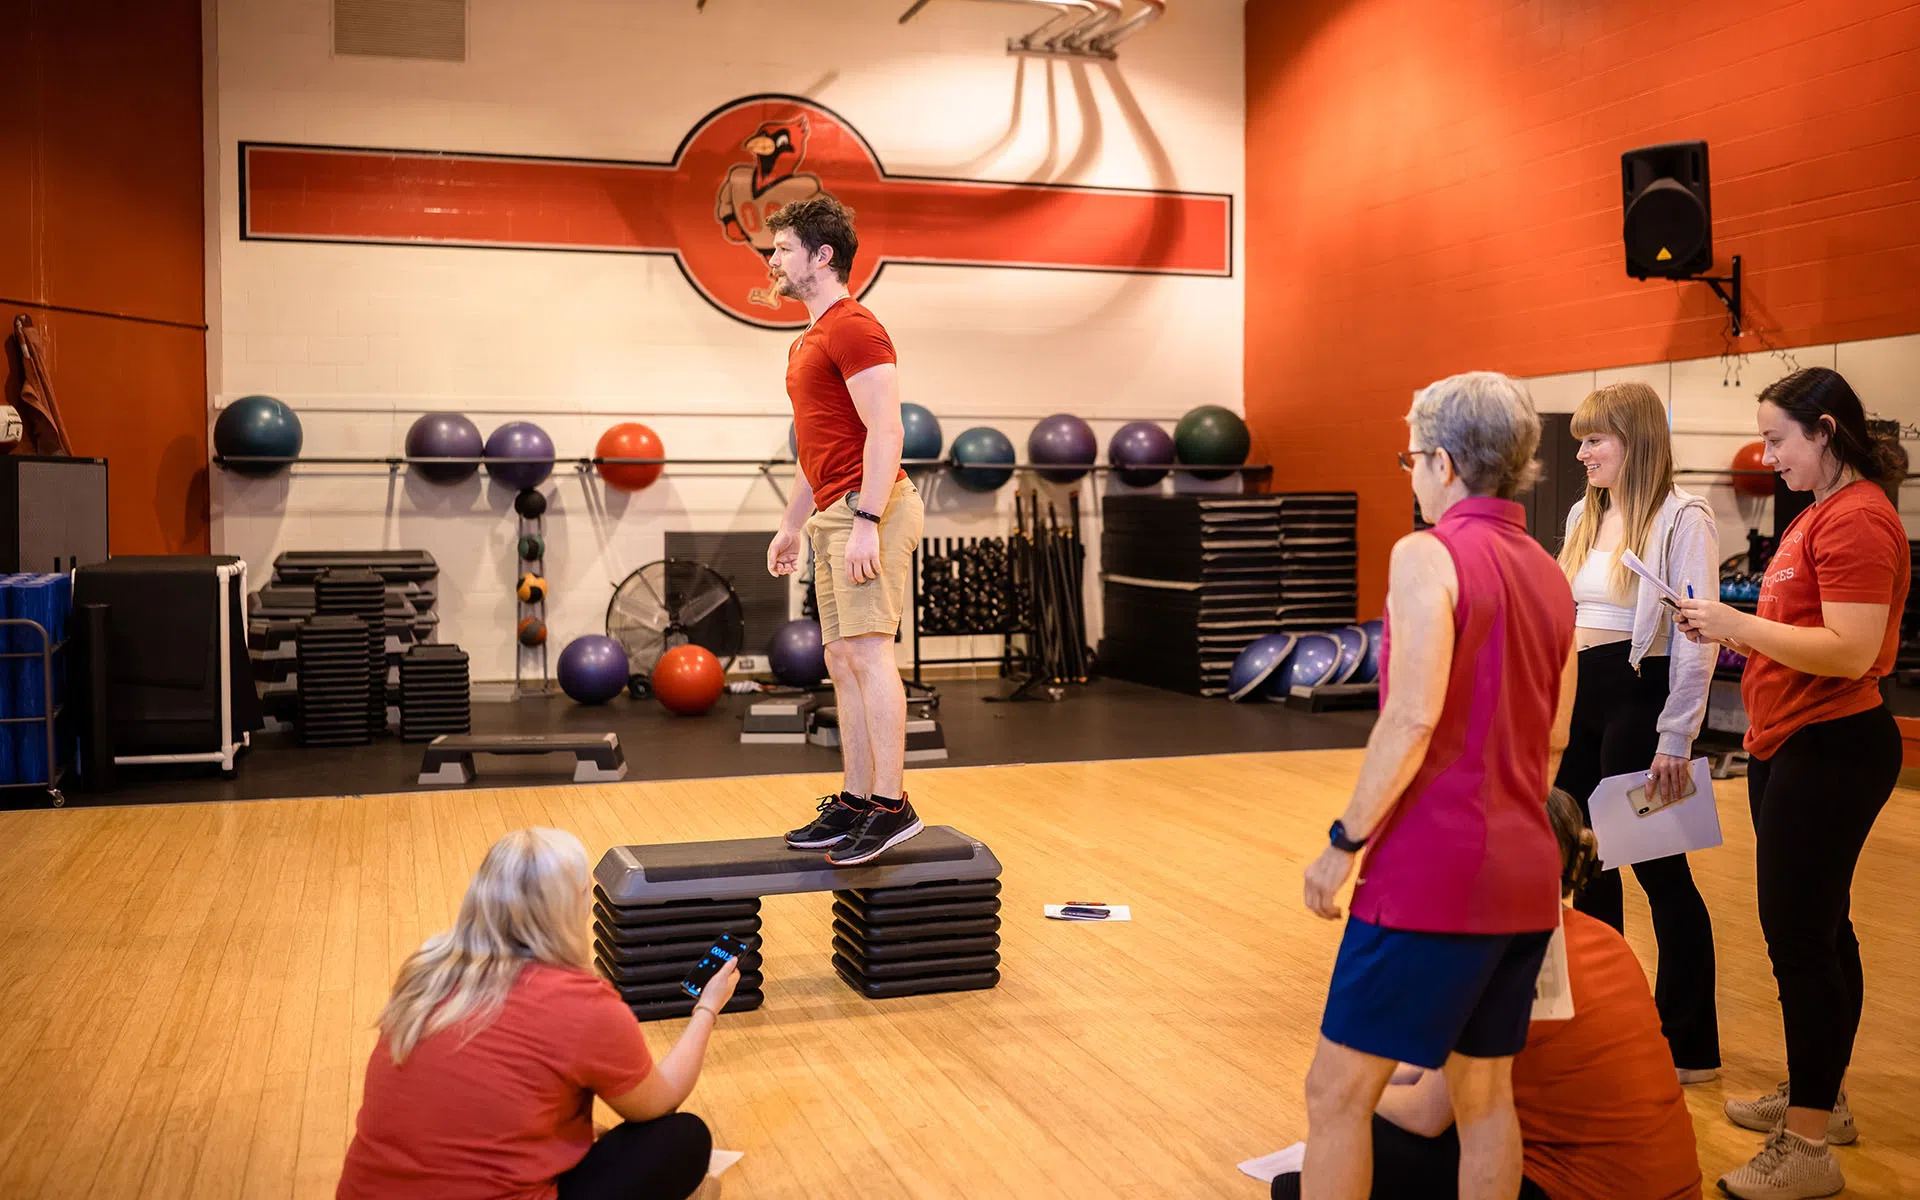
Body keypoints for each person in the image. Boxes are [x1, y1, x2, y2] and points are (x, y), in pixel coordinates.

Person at [1301, 371, 1579, 1200]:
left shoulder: (1428, 554)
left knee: (1336, 1094)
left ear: (1446, 464)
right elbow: (1556, 736)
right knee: (1485, 1096)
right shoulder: (1550, 572)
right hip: (1527, 872)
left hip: (1433, 874)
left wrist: (1342, 841)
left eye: (1412, 456)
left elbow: (1412, 718)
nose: (1411, 473)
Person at [1675, 366, 1909, 1200]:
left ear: (1826, 432)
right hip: (1791, 742)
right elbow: (1799, 633)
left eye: (1778, 439)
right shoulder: (1821, 514)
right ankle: (1824, 1093)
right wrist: (1729, 627)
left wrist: (1737, 625)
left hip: (1833, 746)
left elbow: (1849, 649)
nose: (1767, 455)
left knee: (1801, 942)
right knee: (1819, 929)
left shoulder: (1859, 523)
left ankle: (1808, 1144)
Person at [1272, 788, 1704, 1199]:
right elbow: (1436, 1071)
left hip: (1572, 1187)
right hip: (1668, 1186)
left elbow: (1426, 1114)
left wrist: (1344, 1096)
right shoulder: (1601, 936)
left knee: (1329, 1163)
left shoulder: (1500, 956)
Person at [337, 828, 735, 1200]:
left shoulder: (427, 969)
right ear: (569, 908)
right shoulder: (580, 1002)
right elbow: (657, 1102)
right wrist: (707, 1007)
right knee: (683, 1137)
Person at [1553, 381, 1721, 1082]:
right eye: (1582, 441)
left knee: (1659, 869)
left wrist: (1676, 736)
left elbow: (1698, 637)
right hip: (1582, 702)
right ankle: (1607, 1025)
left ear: (1636, 439)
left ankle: (1689, 1045)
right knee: (1582, 867)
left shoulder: (1686, 518)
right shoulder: (1582, 515)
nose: (1584, 452)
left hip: (1644, 702)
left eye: (1596, 439)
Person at [765, 196, 928, 867]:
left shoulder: (855, 327)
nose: (772, 259)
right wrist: (791, 524)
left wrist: (866, 519)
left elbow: (886, 430)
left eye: (782, 248)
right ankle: (858, 800)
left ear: (821, 256)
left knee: (866, 652)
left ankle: (892, 806)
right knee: (840, 659)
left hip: (873, 506)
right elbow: (821, 444)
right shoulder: (810, 337)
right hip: (835, 508)